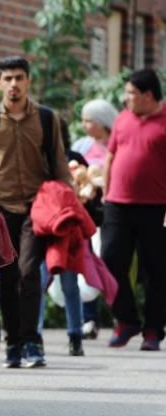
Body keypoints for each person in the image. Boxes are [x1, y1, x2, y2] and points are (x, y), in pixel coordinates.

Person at [0, 56, 72, 369]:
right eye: (8, 78)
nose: (13, 84)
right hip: (0, 209)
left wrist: (68, 205)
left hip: (36, 208)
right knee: (7, 277)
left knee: (29, 273)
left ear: (29, 82)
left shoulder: (46, 118)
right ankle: (12, 343)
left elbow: (59, 164)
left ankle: (32, 341)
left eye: (19, 78)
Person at [101, 69, 166, 352]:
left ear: (147, 95)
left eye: (130, 94)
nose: (126, 99)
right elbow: (110, 156)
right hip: (117, 204)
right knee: (109, 259)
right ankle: (127, 320)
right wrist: (106, 194)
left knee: (157, 270)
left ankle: (153, 329)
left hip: (157, 207)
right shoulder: (123, 118)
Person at [36, 118, 90, 357]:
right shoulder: (34, 158)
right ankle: (35, 336)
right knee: (37, 282)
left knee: (69, 284)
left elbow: (88, 191)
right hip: (41, 224)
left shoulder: (74, 158)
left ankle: (75, 335)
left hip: (67, 227)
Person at [76, 98, 119, 340]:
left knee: (114, 264)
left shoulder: (117, 144)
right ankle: (89, 319)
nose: (84, 125)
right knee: (87, 264)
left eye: (88, 120)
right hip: (88, 215)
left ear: (102, 121)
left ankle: (119, 316)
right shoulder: (81, 147)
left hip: (115, 213)